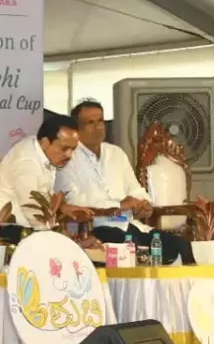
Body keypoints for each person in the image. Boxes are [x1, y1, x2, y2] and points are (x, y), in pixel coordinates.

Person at [56, 99, 192, 263]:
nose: (98, 127)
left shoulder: (116, 153)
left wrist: (143, 203)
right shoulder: (68, 156)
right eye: (90, 122)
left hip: (130, 224)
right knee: (128, 245)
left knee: (182, 246)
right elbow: (72, 200)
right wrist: (118, 205)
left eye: (100, 121)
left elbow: (135, 189)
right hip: (97, 228)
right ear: (76, 128)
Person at [0, 113, 90, 238]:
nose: (69, 155)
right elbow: (31, 209)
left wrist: (62, 208)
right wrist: (56, 237)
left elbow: (41, 197)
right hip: (5, 230)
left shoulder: (42, 152)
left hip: (27, 227)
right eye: (64, 148)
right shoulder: (27, 161)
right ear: (45, 142)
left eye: (73, 149)